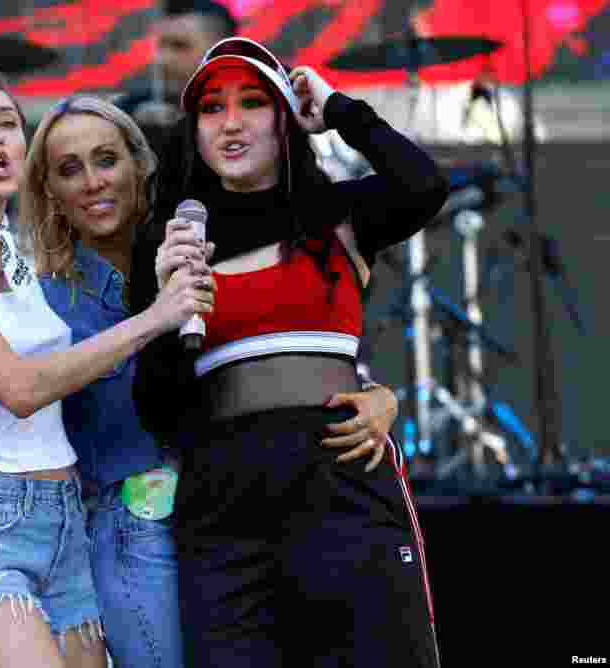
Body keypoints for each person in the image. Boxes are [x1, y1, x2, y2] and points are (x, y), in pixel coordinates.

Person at [0, 95, 403, 668]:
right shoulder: (40, 305)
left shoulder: (208, 259)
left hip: (250, 511)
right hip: (137, 527)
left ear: (140, 169)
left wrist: (377, 393)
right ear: (51, 194)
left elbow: (284, 356)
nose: (92, 182)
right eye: (69, 170)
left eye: (106, 159)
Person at [0, 69, 212, 668]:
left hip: (64, 522)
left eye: (8, 124)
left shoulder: (24, 259)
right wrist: (159, 316)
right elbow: (19, 388)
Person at [131, 37, 449, 667]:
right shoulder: (170, 243)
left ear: (283, 117)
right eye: (211, 108)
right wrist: (165, 310)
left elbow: (424, 184)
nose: (231, 122)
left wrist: (337, 110)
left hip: (340, 476)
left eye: (252, 102)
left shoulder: (337, 213)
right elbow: (158, 408)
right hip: (221, 497)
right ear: (193, 130)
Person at [118, 0, 238, 129]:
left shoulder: (253, 112)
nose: (162, 59)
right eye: (160, 46)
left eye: (179, 46)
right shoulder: (130, 111)